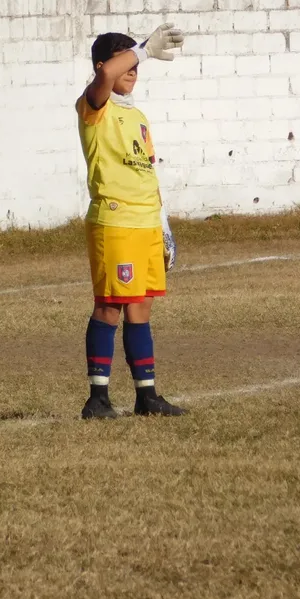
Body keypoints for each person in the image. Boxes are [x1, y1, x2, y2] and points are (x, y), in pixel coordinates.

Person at [75, 24, 187, 419]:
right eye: (125, 61)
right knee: (110, 307)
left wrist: (164, 225)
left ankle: (147, 396)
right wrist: (142, 48)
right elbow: (105, 76)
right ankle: (98, 398)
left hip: (144, 224)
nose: (133, 68)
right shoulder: (94, 107)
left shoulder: (137, 115)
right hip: (115, 222)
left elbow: (148, 172)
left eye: (136, 63)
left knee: (140, 308)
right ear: (104, 64)